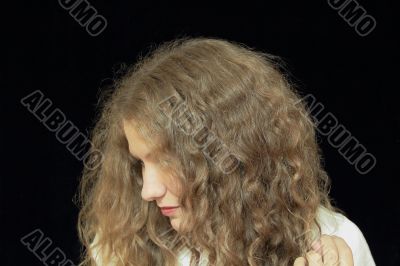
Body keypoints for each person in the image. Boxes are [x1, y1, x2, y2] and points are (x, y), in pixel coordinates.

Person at [76, 37, 376, 265]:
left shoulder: (334, 246)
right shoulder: (123, 245)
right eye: (140, 162)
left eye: (166, 160)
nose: (148, 190)